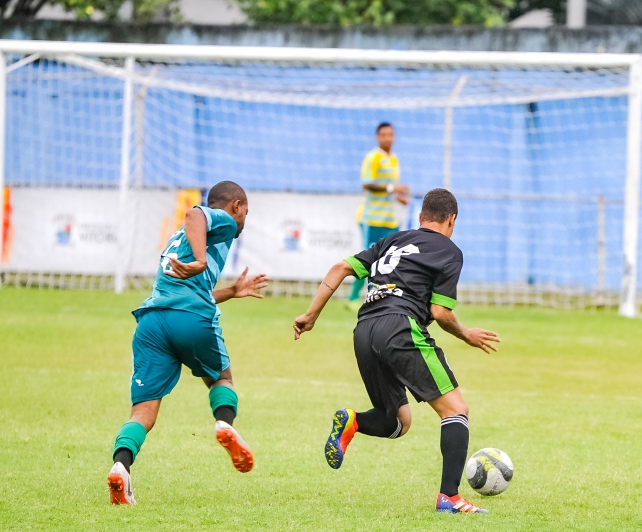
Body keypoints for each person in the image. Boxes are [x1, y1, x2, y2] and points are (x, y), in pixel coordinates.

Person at [293, 188, 500, 514]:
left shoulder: (393, 240)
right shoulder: (449, 251)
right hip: (400, 327)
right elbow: (441, 313)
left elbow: (339, 268)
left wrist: (310, 315)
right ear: (452, 220)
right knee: (456, 409)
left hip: (364, 330)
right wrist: (466, 334)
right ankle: (450, 498)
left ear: (420, 218)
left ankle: (352, 423)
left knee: (398, 421)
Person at [107, 181, 269, 505]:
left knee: (143, 411)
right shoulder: (220, 219)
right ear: (236, 205)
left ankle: (120, 468)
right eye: (246, 213)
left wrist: (232, 292)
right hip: (189, 318)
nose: (244, 221)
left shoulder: (177, 240)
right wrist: (200, 261)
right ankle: (225, 423)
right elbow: (194, 213)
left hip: (152, 322)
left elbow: (195, 289)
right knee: (222, 379)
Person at [347, 122, 410, 309]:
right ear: (377, 137)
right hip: (371, 218)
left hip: (390, 219)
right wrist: (392, 188)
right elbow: (367, 184)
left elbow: (390, 187)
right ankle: (352, 298)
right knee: (369, 258)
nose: (387, 138)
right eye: (383, 135)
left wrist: (398, 197)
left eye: (390, 134)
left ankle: (382, 296)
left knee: (392, 258)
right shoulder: (372, 157)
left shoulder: (394, 159)